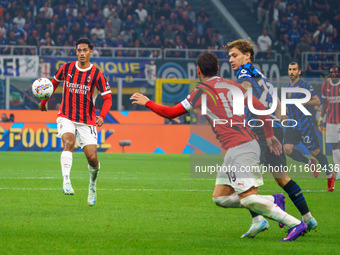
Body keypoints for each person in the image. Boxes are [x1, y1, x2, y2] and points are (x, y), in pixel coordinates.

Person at [130, 52, 308, 241]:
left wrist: (147, 102)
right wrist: (270, 136)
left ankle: (295, 223)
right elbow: (262, 109)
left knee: (247, 198)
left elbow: (172, 112)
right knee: (220, 197)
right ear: (218, 69)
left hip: (242, 148)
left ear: (198, 70)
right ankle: (272, 203)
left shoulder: (202, 91)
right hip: (242, 147)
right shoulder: (234, 86)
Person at [224, 39, 317, 236]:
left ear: (247, 55)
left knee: (241, 175)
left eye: (234, 55)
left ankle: (260, 218)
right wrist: (280, 121)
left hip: (259, 130)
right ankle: (308, 218)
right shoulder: (261, 75)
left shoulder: (244, 72)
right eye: (229, 56)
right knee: (282, 178)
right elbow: (276, 100)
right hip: (273, 127)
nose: (231, 59)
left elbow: (246, 90)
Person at [38, 37, 112, 206]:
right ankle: (66, 181)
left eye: (85, 50)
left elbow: (108, 99)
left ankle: (92, 185)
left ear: (91, 52)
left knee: (92, 158)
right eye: (79, 50)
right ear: (76, 52)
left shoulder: (97, 75)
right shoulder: (66, 68)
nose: (81, 53)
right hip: (66, 115)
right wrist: (43, 102)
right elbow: (52, 85)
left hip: (87, 120)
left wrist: (102, 115)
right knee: (68, 142)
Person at [284, 62, 336, 191]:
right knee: (287, 149)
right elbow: (287, 105)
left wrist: (305, 101)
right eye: (290, 69)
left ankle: (330, 175)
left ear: (299, 72)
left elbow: (317, 101)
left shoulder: (305, 86)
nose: (292, 72)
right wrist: (284, 112)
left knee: (316, 152)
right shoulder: (286, 87)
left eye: (294, 69)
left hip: (305, 125)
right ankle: (309, 162)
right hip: (292, 125)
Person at [319, 66, 340, 180]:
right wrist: (321, 118)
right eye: (332, 72)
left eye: (336, 72)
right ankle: (339, 171)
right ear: (330, 74)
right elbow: (325, 103)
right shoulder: (325, 86)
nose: (334, 74)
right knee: (335, 145)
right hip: (331, 120)